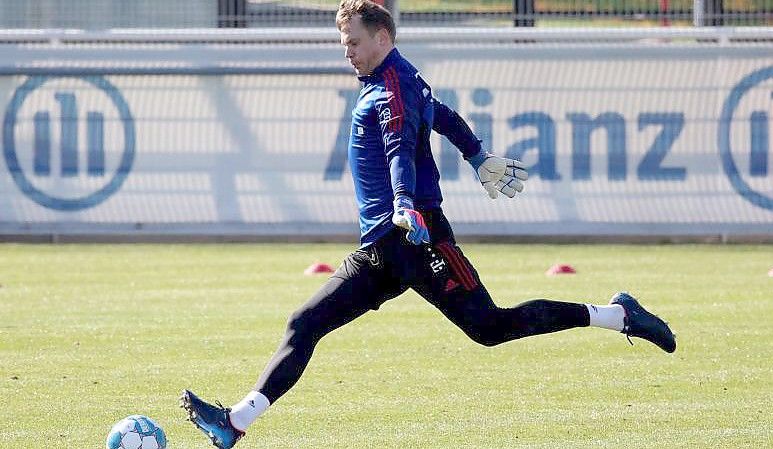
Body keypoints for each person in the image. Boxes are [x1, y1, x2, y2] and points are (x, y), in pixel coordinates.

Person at [181, 2, 676, 448]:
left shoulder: (393, 87)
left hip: (417, 236)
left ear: (382, 38)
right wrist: (476, 153)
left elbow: (400, 147)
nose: (347, 52)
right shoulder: (398, 80)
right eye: (344, 44)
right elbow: (441, 116)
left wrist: (404, 201)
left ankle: (616, 315)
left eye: (354, 42)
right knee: (304, 323)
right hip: (383, 248)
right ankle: (235, 422)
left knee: (490, 327)